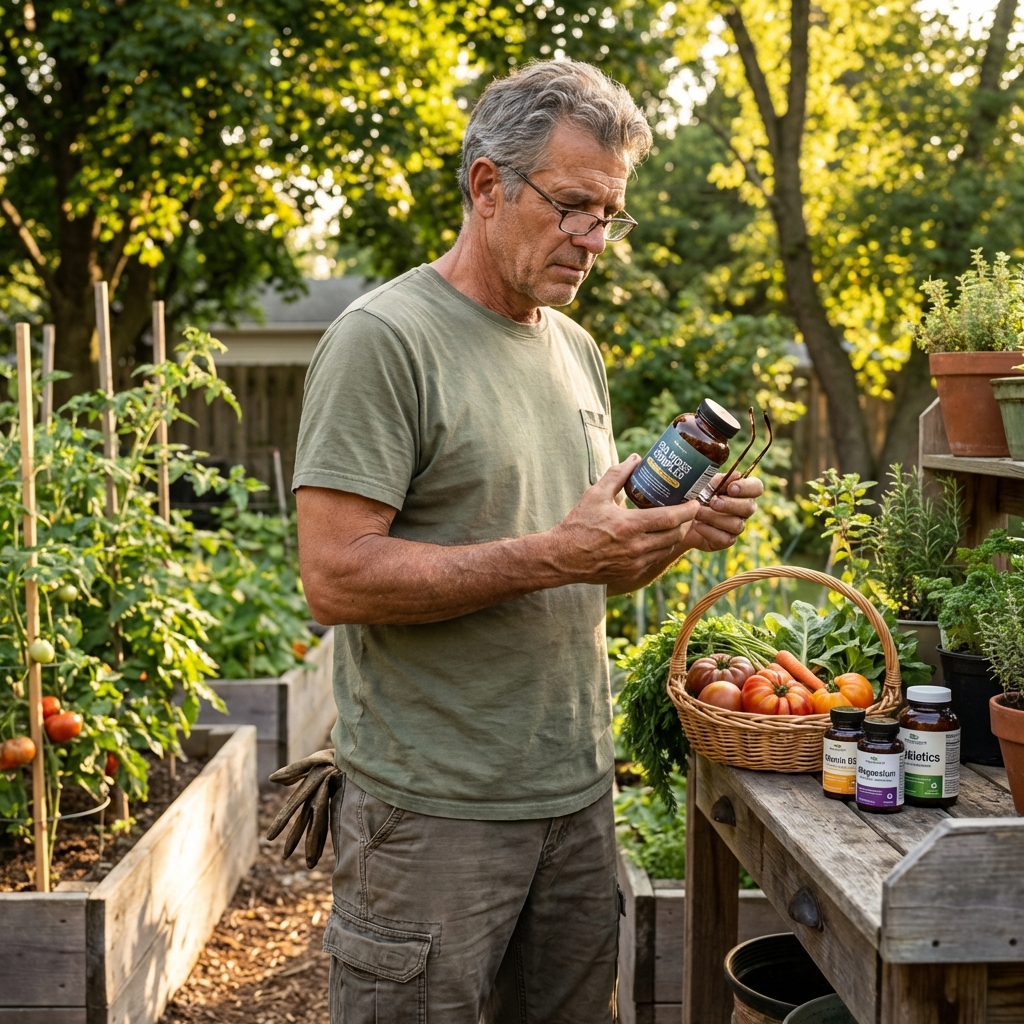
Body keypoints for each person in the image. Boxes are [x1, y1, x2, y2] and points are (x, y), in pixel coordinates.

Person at [292, 59, 763, 1023]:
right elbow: (335, 578)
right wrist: (560, 553)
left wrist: (670, 537)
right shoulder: (385, 339)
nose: (594, 241)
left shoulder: (571, 347)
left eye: (610, 217)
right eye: (574, 206)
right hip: (433, 817)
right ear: (487, 186)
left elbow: (583, 573)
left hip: (577, 802)